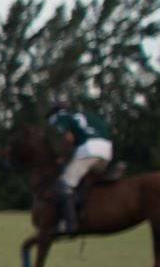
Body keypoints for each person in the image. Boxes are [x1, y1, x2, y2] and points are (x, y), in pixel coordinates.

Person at [47, 97, 113, 235]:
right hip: (107, 150)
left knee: (64, 185)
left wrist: (63, 157)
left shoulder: (60, 117)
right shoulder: (86, 115)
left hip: (88, 150)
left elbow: (69, 138)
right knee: (83, 180)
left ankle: (70, 224)